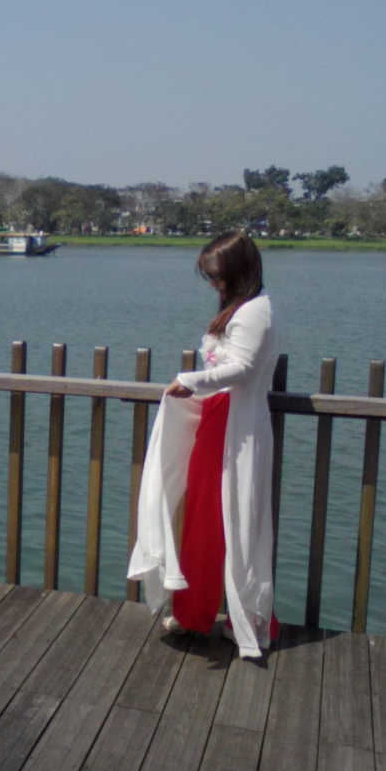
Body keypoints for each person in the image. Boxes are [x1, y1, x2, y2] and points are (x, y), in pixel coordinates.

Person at [127, 231, 281, 659]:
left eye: (216, 276)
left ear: (237, 270)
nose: (213, 284)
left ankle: (223, 615)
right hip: (225, 420)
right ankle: (203, 611)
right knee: (213, 519)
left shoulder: (252, 312)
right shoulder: (251, 307)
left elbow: (241, 367)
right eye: (209, 277)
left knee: (223, 521)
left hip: (234, 424)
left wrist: (190, 380)